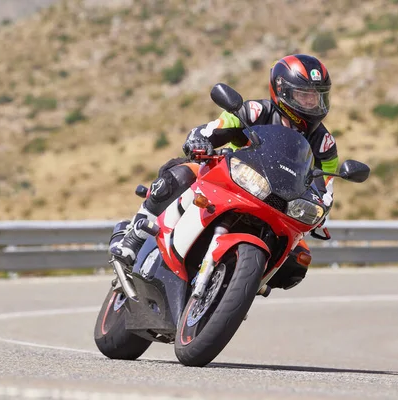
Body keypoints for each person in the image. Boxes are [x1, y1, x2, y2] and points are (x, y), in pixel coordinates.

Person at [109, 54, 338, 290]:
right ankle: (132, 236)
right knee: (182, 174)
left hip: (278, 201)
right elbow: (215, 128)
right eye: (304, 96)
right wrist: (200, 140)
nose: (312, 103)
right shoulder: (255, 110)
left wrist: (322, 206)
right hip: (233, 179)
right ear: (283, 91)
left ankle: (242, 287)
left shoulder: (324, 143)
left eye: (317, 97)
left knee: (298, 260)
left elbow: (326, 186)